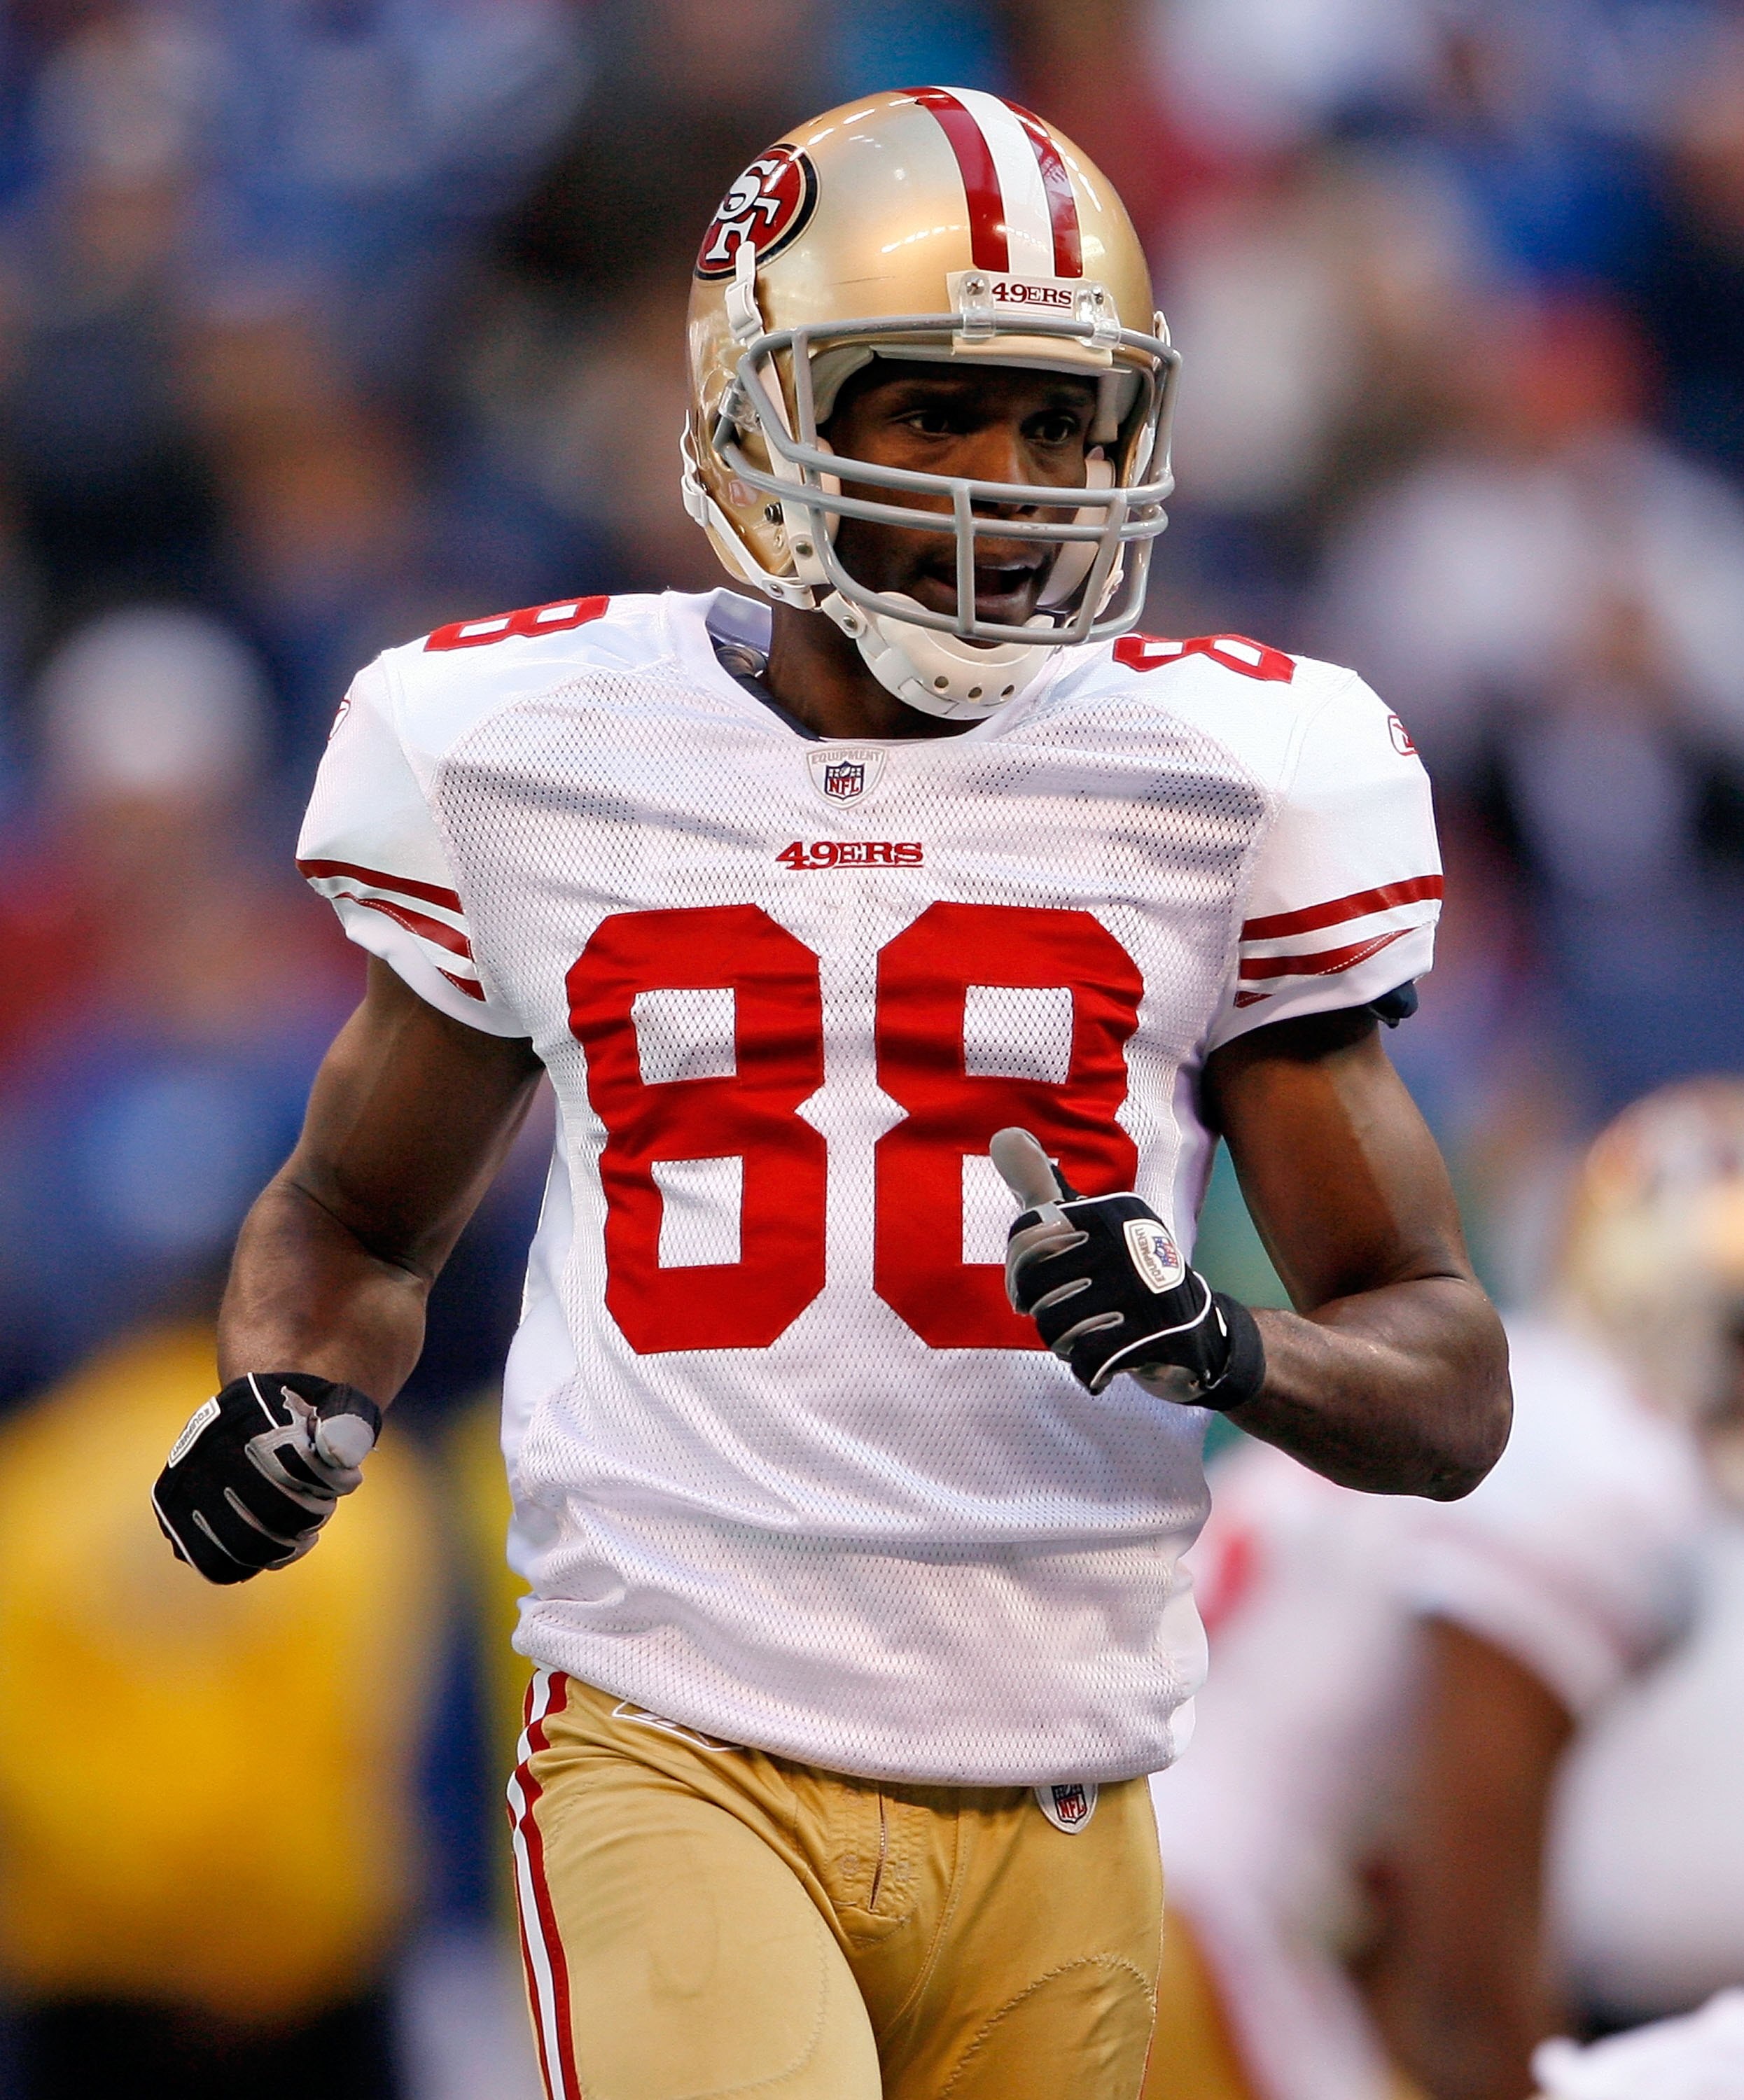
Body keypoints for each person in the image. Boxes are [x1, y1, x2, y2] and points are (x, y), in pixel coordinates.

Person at [148, 88, 1508, 2100]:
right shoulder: (532, 747)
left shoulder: (1227, 787)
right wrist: (295, 1389)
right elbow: (353, 1217)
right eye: (936, 409)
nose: (1010, 479)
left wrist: (1222, 1346)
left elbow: (1447, 1375)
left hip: (1061, 1766)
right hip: (677, 1727)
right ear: (755, 412)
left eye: (1058, 423)